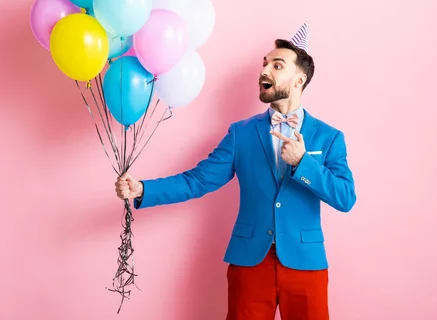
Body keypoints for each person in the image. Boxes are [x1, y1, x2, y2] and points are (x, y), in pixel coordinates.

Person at [115, 22, 356, 320]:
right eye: (265, 64)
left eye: (277, 65)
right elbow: (198, 180)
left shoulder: (329, 137)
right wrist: (143, 189)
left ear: (299, 80)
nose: (265, 71)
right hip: (250, 261)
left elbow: (345, 197)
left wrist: (303, 163)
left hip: (305, 263)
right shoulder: (240, 134)